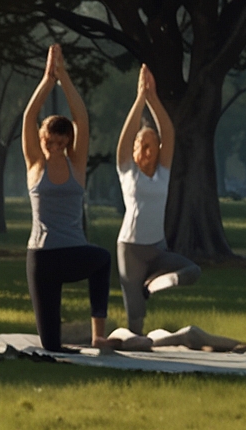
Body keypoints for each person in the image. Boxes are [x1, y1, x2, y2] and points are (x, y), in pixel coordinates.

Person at [22, 43, 111, 351]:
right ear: (42, 138)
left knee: (102, 260)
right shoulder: (35, 163)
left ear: (68, 142)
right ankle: (62, 339)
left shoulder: (76, 165)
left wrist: (65, 78)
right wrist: (47, 80)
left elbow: (81, 120)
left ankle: (98, 332)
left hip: (74, 250)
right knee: (51, 347)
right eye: (50, 141)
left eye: (62, 142)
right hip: (42, 257)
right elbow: (30, 115)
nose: (56, 147)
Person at [114, 64, 200, 333]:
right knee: (136, 319)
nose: (149, 149)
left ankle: (152, 284)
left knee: (191, 271)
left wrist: (153, 98)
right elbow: (126, 136)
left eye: (153, 145)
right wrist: (140, 99)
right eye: (143, 145)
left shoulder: (163, 172)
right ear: (135, 150)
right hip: (131, 250)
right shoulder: (126, 171)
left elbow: (168, 131)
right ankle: (136, 351)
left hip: (158, 249)